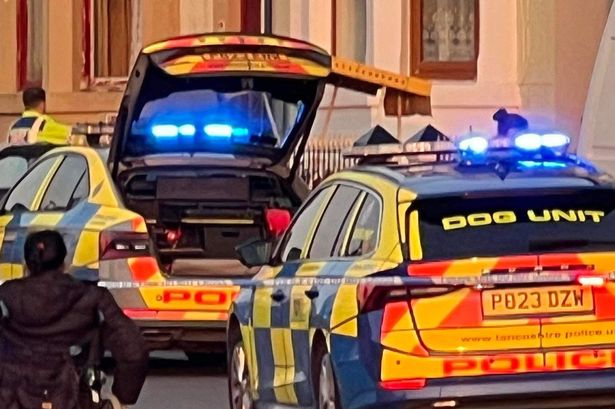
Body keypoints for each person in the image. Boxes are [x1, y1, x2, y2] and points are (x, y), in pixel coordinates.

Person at [0, 230, 148, 409]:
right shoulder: (92, 297)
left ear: (27, 264)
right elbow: (134, 351)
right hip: (75, 398)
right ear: (65, 262)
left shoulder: (6, 297)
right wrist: (122, 397)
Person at [7, 87, 72, 145]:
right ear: (42, 104)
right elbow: (70, 132)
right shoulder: (43, 122)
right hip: (38, 158)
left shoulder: (13, 126)